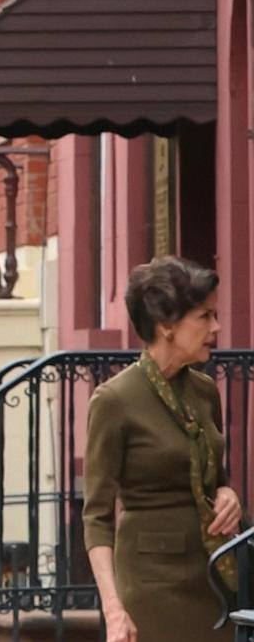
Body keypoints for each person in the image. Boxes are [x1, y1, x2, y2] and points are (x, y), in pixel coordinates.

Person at [84, 256, 240, 642]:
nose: (216, 327)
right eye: (204, 317)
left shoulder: (204, 391)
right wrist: (114, 610)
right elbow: (97, 518)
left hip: (213, 574)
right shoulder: (113, 400)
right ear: (166, 324)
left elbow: (214, 480)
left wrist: (228, 494)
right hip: (152, 586)